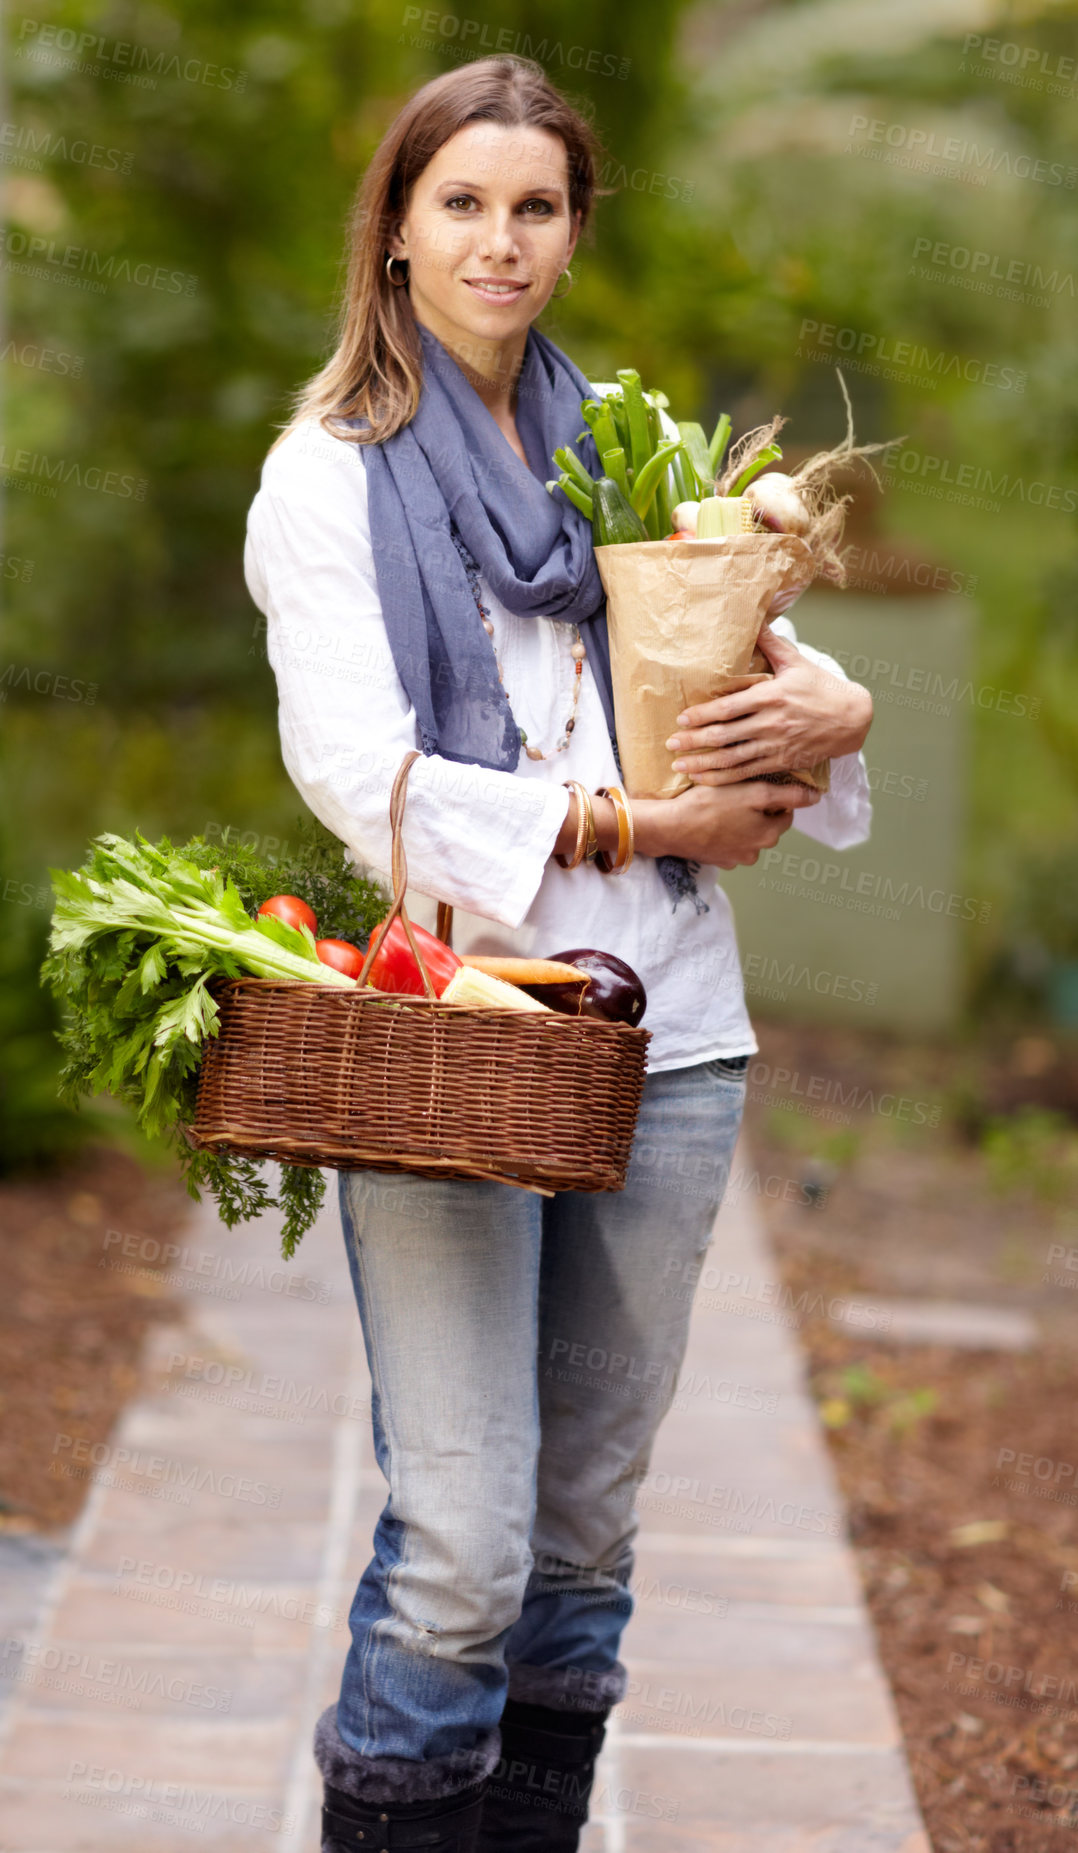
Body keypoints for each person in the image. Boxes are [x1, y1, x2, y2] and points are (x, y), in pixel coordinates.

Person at [244, 54, 873, 1853]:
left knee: (584, 1543)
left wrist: (829, 707)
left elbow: (764, 716)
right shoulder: (328, 480)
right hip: (461, 1034)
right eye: (463, 204)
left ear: (573, 231)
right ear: (394, 233)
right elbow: (358, 776)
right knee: (462, 1546)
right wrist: (641, 826)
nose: (500, 243)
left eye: (535, 207)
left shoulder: (640, 459)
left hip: (666, 1036)